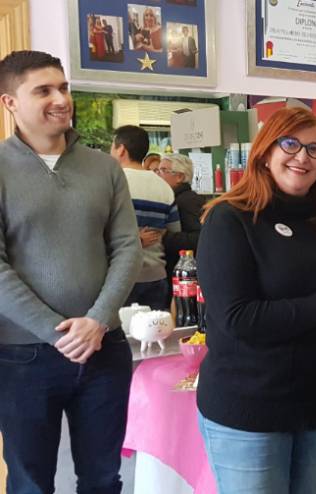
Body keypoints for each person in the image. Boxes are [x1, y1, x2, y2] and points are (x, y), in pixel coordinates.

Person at [196, 107, 316, 494]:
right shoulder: (230, 219)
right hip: (251, 409)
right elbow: (237, 318)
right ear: (265, 152)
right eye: (290, 144)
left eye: (314, 149)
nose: (302, 157)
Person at [0, 50, 141, 493]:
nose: (60, 99)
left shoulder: (104, 167)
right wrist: (57, 332)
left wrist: (97, 321)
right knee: (30, 483)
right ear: (10, 103)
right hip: (22, 356)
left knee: (103, 479)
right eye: (43, 91)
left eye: (63, 88)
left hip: (104, 348)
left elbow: (127, 248)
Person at [111, 125, 180, 311]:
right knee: (156, 328)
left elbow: (99, 231)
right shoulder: (164, 187)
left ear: (121, 150)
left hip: (119, 277)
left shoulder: (111, 183)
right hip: (156, 275)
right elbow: (174, 232)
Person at [156, 153, 206, 285]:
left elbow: (200, 238)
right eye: (157, 170)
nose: (157, 175)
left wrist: (165, 236)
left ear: (180, 177)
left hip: (187, 276)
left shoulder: (187, 201)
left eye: (163, 170)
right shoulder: (173, 198)